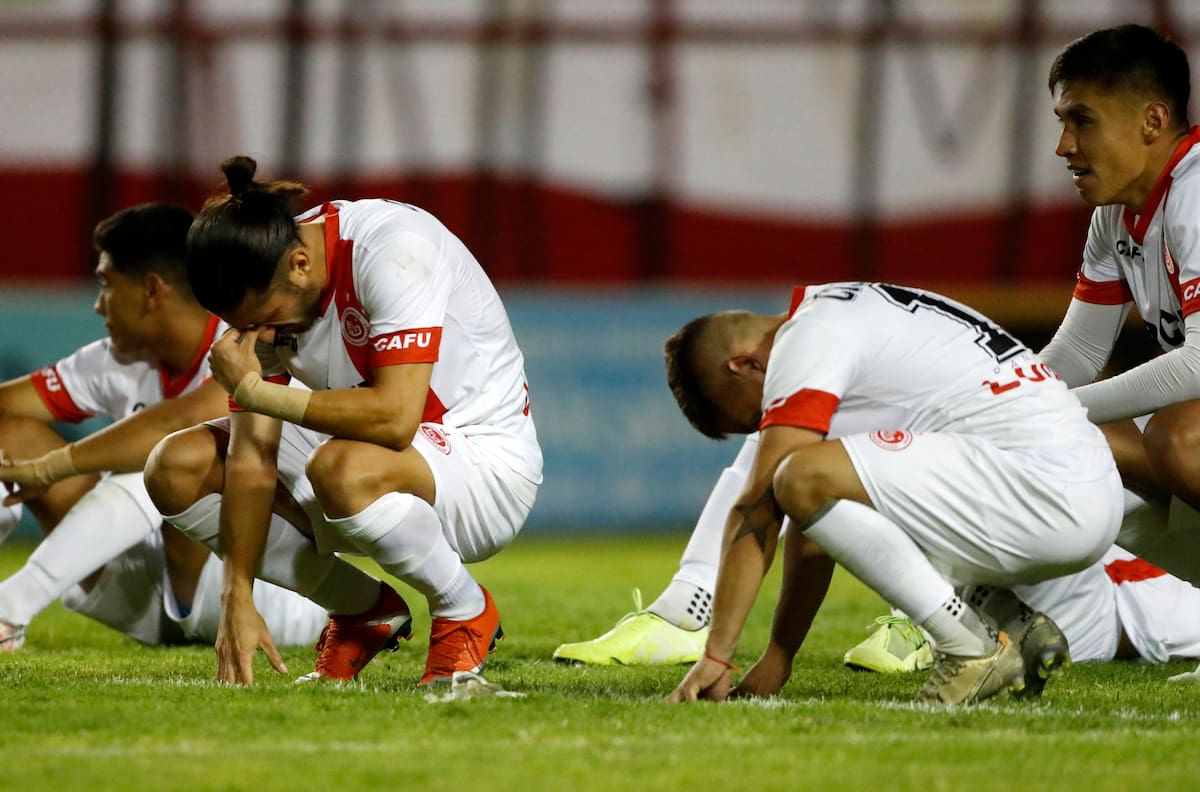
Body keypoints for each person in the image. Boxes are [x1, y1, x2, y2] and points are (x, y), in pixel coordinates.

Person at [144, 156, 542, 687]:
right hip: (372, 457)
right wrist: (235, 595)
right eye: (247, 326)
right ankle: (362, 610)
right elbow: (252, 459)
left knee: (340, 467)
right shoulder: (264, 284)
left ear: (301, 265)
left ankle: (462, 608)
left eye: (266, 320)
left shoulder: (395, 250)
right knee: (176, 466)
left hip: (485, 467)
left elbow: (396, 418)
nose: (262, 337)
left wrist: (256, 391)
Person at [658, 282, 1123, 706]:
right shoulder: (849, 309)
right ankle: (1008, 621)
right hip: (1079, 486)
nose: (765, 424)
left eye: (753, 417)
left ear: (742, 364)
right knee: (817, 476)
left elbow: (760, 505)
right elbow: (819, 519)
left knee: (793, 475)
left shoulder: (812, 337)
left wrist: (717, 656)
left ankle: (968, 648)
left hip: (1043, 492)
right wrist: (780, 655)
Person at [0, 203, 329, 651]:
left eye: (106, 285)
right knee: (15, 437)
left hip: (273, 593)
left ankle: (7, 610)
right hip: (150, 592)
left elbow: (179, 420)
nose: (98, 304)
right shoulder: (116, 358)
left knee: (169, 460)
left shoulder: (246, 340)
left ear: (153, 291)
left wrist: (52, 467)